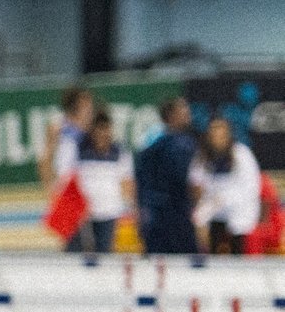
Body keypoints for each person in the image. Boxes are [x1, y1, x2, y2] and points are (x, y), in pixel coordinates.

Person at [60, 109, 134, 255]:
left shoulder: (120, 151)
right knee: (75, 254)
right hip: (82, 213)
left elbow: (127, 180)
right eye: (99, 129)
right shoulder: (79, 148)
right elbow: (66, 176)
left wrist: (131, 207)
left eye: (106, 129)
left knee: (104, 255)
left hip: (108, 211)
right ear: (92, 131)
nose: (103, 134)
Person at [134, 97, 199, 255]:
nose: (187, 113)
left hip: (170, 213)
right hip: (169, 215)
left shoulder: (188, 142)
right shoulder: (166, 144)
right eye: (182, 109)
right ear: (171, 115)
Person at [190, 116, 262, 256]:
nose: (217, 136)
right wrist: (201, 214)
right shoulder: (201, 157)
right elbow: (196, 185)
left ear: (229, 134)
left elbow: (251, 188)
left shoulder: (242, 154)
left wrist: (226, 200)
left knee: (237, 243)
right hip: (214, 210)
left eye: (221, 132)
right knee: (200, 221)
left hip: (239, 210)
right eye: (214, 131)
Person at [38, 85, 94, 188]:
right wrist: (49, 186)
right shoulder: (58, 127)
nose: (90, 106)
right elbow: (46, 158)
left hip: (88, 182)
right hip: (66, 182)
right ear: (74, 104)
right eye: (85, 102)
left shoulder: (93, 129)